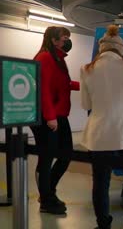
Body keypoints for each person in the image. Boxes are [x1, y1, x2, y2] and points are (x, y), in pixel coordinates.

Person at [80, 25, 123, 229]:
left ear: (102, 48)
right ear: (121, 48)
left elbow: (86, 105)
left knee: (100, 181)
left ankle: (103, 224)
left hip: (98, 133)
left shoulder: (86, 69)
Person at [31, 26, 78, 215]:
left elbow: (64, 84)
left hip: (60, 115)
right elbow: (43, 89)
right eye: (64, 37)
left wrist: (88, 86)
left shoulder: (58, 58)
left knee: (66, 154)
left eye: (67, 37)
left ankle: (47, 192)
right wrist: (50, 117)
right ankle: (47, 200)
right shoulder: (44, 58)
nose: (67, 40)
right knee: (47, 158)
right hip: (48, 117)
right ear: (53, 40)